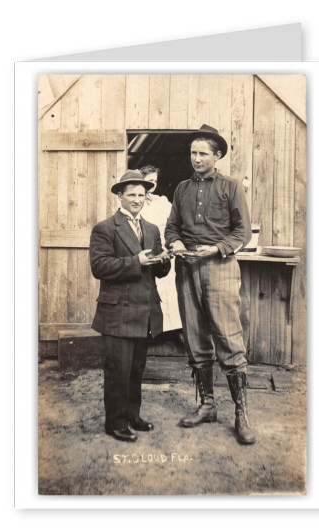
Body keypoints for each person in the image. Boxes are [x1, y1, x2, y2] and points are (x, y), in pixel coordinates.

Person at [165, 124, 256, 445]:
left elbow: (241, 233)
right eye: (193, 153)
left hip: (219, 269)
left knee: (228, 338)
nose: (197, 158)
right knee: (194, 337)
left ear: (217, 156)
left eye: (203, 153)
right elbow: (171, 227)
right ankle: (207, 405)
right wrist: (174, 243)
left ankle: (241, 413)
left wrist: (216, 249)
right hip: (187, 270)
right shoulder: (181, 189)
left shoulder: (231, 187)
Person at [90, 170, 171, 443]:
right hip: (118, 313)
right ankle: (114, 422)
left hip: (145, 311)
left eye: (141, 195)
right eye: (131, 194)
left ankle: (132, 416)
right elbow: (99, 267)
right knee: (118, 370)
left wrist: (164, 260)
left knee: (136, 369)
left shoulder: (151, 228)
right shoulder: (105, 228)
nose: (137, 199)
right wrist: (137, 261)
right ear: (120, 196)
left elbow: (160, 271)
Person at [139, 165, 183, 339]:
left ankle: (175, 330)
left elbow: (174, 222)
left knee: (170, 287)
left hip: (165, 246)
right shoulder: (136, 202)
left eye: (155, 181)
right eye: (149, 181)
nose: (153, 185)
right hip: (146, 248)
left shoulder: (162, 202)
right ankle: (151, 332)